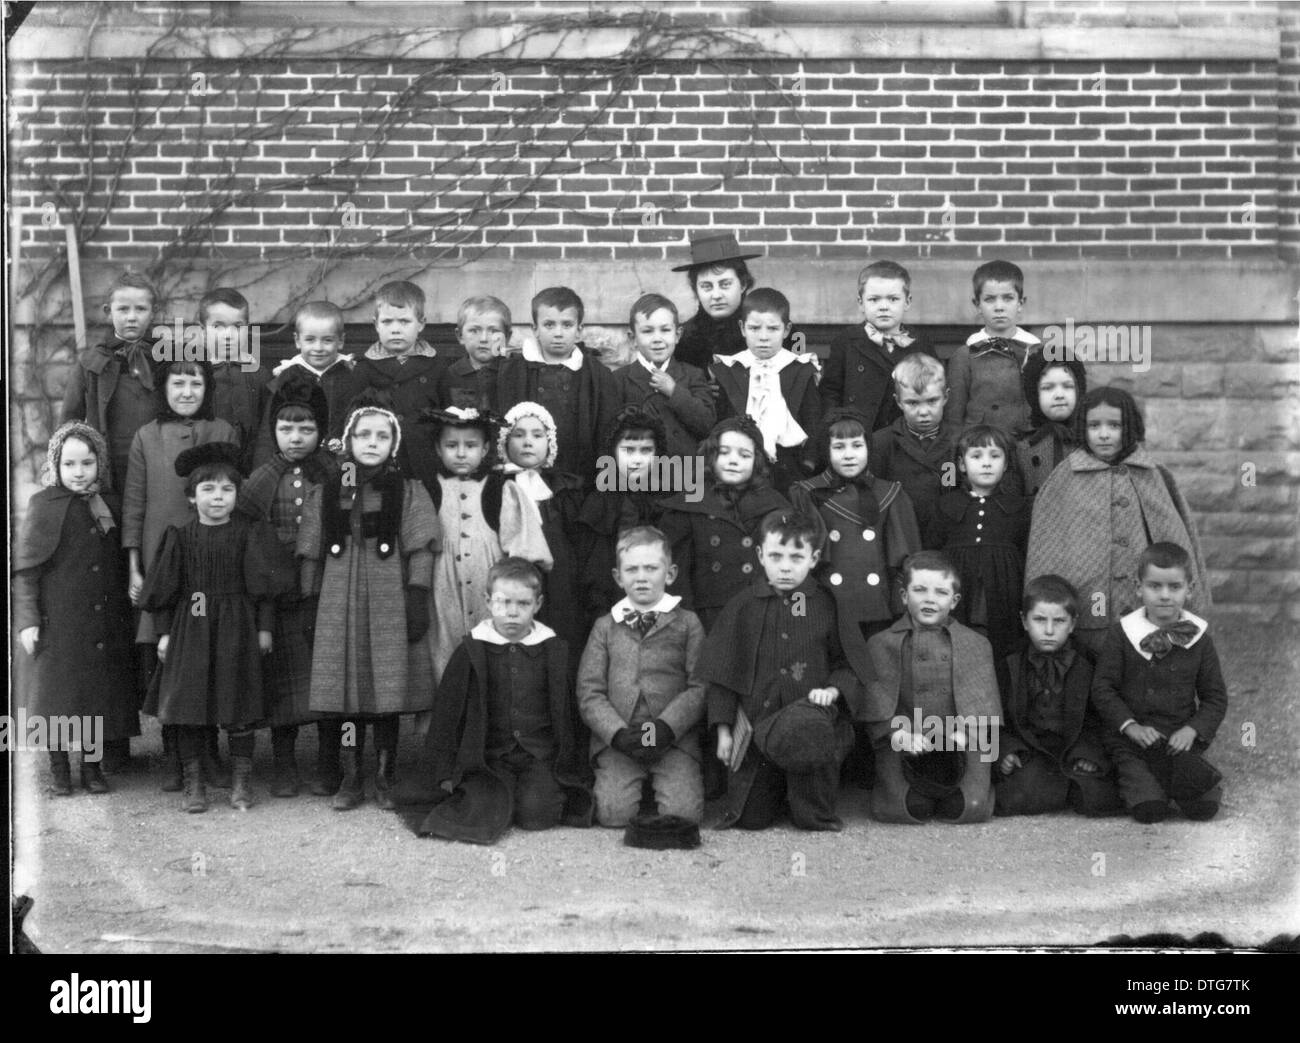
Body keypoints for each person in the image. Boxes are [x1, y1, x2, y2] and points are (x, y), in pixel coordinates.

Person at [297, 393, 440, 810]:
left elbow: (421, 548)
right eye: (363, 435)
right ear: (348, 440)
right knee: (346, 693)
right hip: (338, 601)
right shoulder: (326, 493)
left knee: (386, 692)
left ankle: (385, 772)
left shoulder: (410, 491)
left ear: (393, 443)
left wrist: (417, 595)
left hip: (389, 599)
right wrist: (310, 599)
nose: (372, 442)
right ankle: (350, 775)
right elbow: (311, 551)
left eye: (382, 435)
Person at [139, 443, 295, 812]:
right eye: (208, 490)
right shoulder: (180, 537)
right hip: (191, 630)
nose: (218, 498)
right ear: (192, 497)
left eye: (227, 489)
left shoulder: (249, 534)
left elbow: (263, 589)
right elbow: (164, 592)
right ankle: (195, 785)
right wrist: (164, 634)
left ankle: (241, 783)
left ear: (237, 495)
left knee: (239, 705)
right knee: (192, 708)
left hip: (237, 630)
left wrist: (264, 629)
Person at [406, 557, 591, 843]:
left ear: (538, 604)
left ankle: (532, 791)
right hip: (490, 758)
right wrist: (444, 769)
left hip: (538, 755)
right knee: (485, 807)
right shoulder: (472, 649)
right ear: (488, 601)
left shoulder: (552, 650)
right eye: (503, 603)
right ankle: (504, 792)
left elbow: (569, 713)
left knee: (537, 815)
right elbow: (448, 713)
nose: (512, 613)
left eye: (523, 604)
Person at [700, 509, 858, 831]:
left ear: (814, 558)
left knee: (810, 819)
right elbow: (722, 672)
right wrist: (723, 730)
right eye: (776, 556)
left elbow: (848, 662)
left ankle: (803, 799)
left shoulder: (826, 604)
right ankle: (772, 792)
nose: (785, 567)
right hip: (757, 729)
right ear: (760, 555)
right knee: (751, 819)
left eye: (796, 557)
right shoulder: (743, 606)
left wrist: (832, 690)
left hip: (810, 731)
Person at [1024, 385, 1208, 658]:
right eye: (1094, 426)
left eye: (1114, 425)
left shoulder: (1151, 474)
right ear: (1083, 429)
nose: (1104, 434)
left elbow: (1176, 538)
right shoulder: (1065, 477)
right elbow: (1046, 546)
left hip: (1142, 608)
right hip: (1085, 608)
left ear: (1129, 427)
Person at [122, 358, 237, 787]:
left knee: (205, 658)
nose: (187, 392)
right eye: (178, 383)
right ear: (164, 389)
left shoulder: (223, 430)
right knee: (167, 659)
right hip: (161, 563)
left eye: (195, 383)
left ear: (207, 389)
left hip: (210, 562)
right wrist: (135, 568)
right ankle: (175, 755)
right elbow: (134, 506)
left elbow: (233, 494)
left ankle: (209, 755)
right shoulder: (146, 436)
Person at [14, 422, 138, 795]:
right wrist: (28, 621)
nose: (79, 472)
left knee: (94, 696)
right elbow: (25, 573)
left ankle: (92, 767)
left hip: (100, 623)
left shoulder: (108, 505)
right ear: (56, 464)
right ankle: (58, 769)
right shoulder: (43, 505)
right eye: (69, 464)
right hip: (58, 624)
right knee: (56, 698)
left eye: (87, 463)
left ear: (99, 463)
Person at [237, 370, 341, 798]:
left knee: (330, 678)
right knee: (284, 682)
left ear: (321, 431)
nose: (295, 437)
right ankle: (284, 764)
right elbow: (248, 534)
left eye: (306, 428)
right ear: (273, 430)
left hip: (326, 589)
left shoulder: (337, 473)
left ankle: (330, 763)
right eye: (286, 427)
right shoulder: (261, 477)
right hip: (280, 593)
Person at [409, 406, 552, 686]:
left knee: (493, 652)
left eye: (471, 445)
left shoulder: (501, 490)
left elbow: (524, 546)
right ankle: (447, 723)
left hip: (489, 588)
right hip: (442, 587)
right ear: (438, 449)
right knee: (443, 652)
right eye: (452, 445)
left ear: (486, 448)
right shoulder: (427, 489)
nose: (461, 453)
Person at [577, 527, 706, 827]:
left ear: (670, 573)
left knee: (682, 816)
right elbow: (589, 692)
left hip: (671, 738)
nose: (641, 576)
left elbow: (699, 687)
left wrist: (667, 727)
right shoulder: (605, 626)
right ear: (618, 577)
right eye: (631, 569)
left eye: (651, 568)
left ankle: (665, 785)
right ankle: (631, 786)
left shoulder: (688, 623)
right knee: (612, 815)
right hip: (622, 739)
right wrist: (617, 734)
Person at [1090, 543, 1228, 823]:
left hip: (1178, 740)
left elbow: (1215, 698)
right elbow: (1103, 688)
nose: (1165, 596)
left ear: (1189, 589)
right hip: (1132, 743)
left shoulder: (1199, 639)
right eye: (1155, 586)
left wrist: (1192, 730)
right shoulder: (1122, 634)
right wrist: (1130, 726)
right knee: (1149, 811)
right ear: (1139, 587)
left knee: (1204, 810)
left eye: (1174, 587)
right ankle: (1148, 786)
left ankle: (1178, 780)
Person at [862, 552, 1001, 824]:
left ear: (954, 601)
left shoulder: (975, 643)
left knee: (966, 808)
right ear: (904, 596)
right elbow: (875, 707)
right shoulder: (881, 643)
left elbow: (984, 707)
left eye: (940, 592)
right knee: (909, 807)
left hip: (962, 737)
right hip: (904, 737)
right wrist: (897, 734)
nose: (929, 599)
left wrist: (964, 737)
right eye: (919, 590)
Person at [995, 575, 1121, 817]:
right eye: (1040, 620)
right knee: (1018, 797)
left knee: (1096, 799)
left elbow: (1102, 717)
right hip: (1031, 749)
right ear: (1024, 621)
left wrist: (1090, 754)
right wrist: (1006, 751)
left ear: (1073, 624)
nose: (1049, 630)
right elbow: (996, 715)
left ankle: (1070, 784)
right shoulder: (1009, 663)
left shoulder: (1090, 663)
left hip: (1074, 747)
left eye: (1059, 621)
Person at [657, 415, 789, 631]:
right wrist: (685, 626)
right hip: (706, 619)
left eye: (744, 455)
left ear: (756, 461)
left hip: (764, 616)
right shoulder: (688, 505)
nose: (733, 461)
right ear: (711, 455)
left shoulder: (775, 506)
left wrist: (793, 615)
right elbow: (675, 576)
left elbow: (792, 571)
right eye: (724, 452)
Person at [928, 424, 1031, 685]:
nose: (986, 464)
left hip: (1003, 592)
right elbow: (932, 551)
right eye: (977, 456)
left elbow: (1027, 551)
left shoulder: (1019, 508)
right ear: (961, 465)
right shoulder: (946, 506)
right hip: (961, 592)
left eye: (995, 456)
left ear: (1007, 464)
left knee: (1000, 651)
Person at [495, 285, 620, 487]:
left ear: (579, 331)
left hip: (580, 480)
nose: (558, 333)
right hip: (525, 480)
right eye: (549, 325)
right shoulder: (512, 372)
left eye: (567, 325)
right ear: (535, 328)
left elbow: (608, 436)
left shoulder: (598, 377)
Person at [497, 401, 586, 683]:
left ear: (550, 443)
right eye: (519, 434)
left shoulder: (565, 489)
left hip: (561, 587)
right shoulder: (496, 488)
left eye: (537, 435)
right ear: (504, 441)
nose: (527, 442)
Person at [711, 287, 821, 493]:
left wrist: (809, 462)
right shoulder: (729, 369)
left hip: (789, 465)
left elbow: (812, 418)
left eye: (772, 329)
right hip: (740, 464)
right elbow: (721, 419)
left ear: (786, 330)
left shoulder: (800, 369)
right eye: (754, 328)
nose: (763, 337)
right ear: (742, 328)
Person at [60, 270, 160, 492]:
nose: (131, 317)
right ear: (108, 311)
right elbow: (69, 420)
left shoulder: (166, 359)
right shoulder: (91, 363)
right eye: (123, 309)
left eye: (141, 309)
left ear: (153, 313)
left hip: (157, 464)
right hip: (109, 467)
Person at [574, 406, 669, 627]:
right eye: (628, 450)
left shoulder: (664, 500)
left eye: (646, 451)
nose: (636, 460)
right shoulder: (600, 502)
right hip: (607, 611)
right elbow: (591, 572)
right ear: (613, 452)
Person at [821, 260, 933, 433]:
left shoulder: (920, 344)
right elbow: (831, 392)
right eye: (874, 300)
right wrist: (837, 428)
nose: (884, 307)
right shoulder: (847, 341)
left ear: (908, 302)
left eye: (893, 299)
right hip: (859, 436)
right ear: (861, 303)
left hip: (905, 435)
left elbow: (933, 391)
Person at [613, 292, 715, 463]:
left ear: (677, 335)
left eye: (665, 330)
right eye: (647, 331)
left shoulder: (693, 375)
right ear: (633, 338)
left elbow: (707, 425)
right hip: (639, 478)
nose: (657, 339)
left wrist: (674, 391)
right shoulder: (619, 379)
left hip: (684, 476)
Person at [868, 353, 962, 534]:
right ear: (898, 401)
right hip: (900, 534)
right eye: (912, 403)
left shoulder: (958, 442)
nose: (923, 412)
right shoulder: (881, 443)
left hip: (945, 533)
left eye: (932, 401)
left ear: (945, 397)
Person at [946, 259, 1042, 435]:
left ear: (1021, 303)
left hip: (1027, 445)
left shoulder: (1035, 351)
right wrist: (953, 461)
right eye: (990, 299)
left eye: (1008, 298)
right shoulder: (966, 355)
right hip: (982, 448)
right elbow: (954, 419)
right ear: (977, 305)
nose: (999, 307)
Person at [255, 300, 355, 466]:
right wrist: (262, 469)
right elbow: (268, 433)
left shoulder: (352, 377)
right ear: (297, 340)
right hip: (297, 465)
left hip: (341, 462)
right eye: (310, 340)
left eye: (327, 340)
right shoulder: (286, 379)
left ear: (341, 341)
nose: (318, 347)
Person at [199, 287, 269, 475]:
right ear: (203, 330)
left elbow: (266, 431)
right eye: (218, 326)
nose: (228, 335)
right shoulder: (197, 375)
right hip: (207, 471)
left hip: (252, 472)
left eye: (237, 326)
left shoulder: (260, 375)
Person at [671, 230, 762, 370]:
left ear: (743, 284)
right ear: (696, 290)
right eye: (706, 287)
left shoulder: (767, 328)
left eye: (725, 284)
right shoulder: (683, 339)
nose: (716, 295)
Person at [1016, 353, 1087, 498]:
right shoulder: (1019, 448)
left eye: (1068, 386)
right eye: (1048, 388)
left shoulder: (1091, 443)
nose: (1059, 395)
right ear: (1034, 394)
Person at [436, 295, 508, 410]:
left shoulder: (514, 373)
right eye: (474, 331)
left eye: (493, 331)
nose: (483, 339)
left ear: (507, 337)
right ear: (460, 336)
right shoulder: (449, 376)